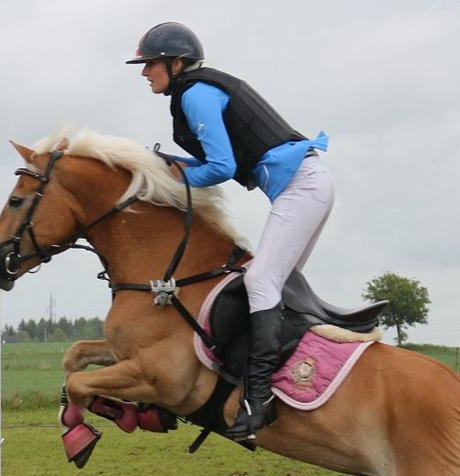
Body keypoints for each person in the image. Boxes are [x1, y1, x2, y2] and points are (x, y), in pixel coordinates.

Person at [127, 21, 333, 441]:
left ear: (176, 63)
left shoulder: (195, 94)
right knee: (271, 286)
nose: (145, 72)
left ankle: (258, 398)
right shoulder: (194, 91)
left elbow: (220, 168)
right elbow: (218, 162)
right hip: (306, 184)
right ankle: (279, 380)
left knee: (260, 280)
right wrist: (167, 164)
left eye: (150, 64)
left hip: (303, 187)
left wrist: (169, 181)